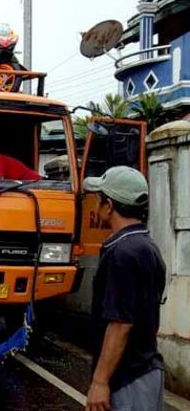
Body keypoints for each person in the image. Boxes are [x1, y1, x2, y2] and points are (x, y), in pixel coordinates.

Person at [83, 166, 166, 411]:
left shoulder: (122, 253)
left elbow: (120, 323)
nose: (95, 207)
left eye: (98, 200)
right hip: (145, 371)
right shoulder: (145, 245)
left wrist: (100, 381)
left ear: (109, 205)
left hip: (128, 379)